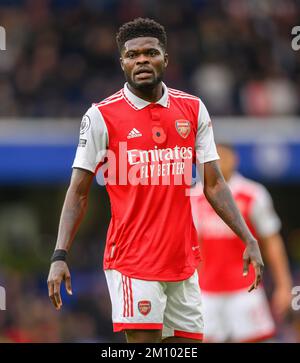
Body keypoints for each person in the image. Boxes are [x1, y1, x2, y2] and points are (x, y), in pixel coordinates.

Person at [47, 18, 264, 343]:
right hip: (133, 261)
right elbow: (78, 192)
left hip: (183, 262)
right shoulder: (101, 116)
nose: (142, 60)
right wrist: (59, 255)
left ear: (166, 58)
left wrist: (248, 238)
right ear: (122, 62)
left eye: (151, 52)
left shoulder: (192, 109)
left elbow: (215, 184)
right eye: (133, 55)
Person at [191, 144, 292, 342]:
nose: (217, 163)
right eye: (212, 158)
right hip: (207, 291)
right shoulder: (195, 197)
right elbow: (194, 247)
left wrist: (283, 285)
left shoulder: (253, 194)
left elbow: (272, 241)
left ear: (234, 159)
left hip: (246, 290)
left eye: (222, 157)